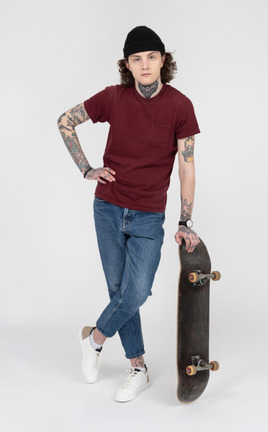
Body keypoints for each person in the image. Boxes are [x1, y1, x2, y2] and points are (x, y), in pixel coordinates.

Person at [57, 25, 201, 403]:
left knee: (136, 291)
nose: (145, 64)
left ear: (163, 60)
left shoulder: (180, 105)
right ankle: (138, 367)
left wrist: (185, 221)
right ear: (128, 65)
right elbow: (65, 121)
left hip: (149, 215)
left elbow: (187, 167)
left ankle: (95, 338)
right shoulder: (112, 97)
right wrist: (86, 169)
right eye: (137, 59)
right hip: (107, 207)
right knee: (118, 290)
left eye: (152, 57)